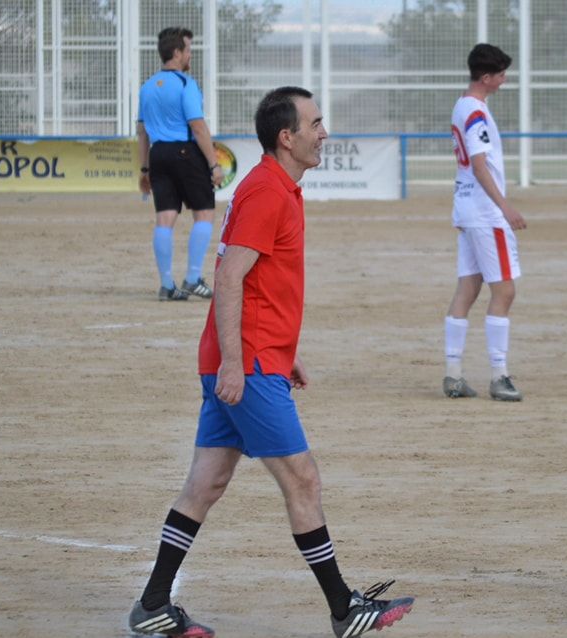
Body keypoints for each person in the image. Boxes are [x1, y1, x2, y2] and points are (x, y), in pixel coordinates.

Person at [127, 87, 414, 638]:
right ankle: (343, 608)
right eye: (316, 123)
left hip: (251, 357)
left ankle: (153, 604)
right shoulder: (266, 192)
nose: (324, 132)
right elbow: (230, 276)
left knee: (205, 485)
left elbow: (257, 285)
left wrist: (286, 351)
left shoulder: (274, 186)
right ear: (287, 137)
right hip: (246, 365)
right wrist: (240, 364)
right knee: (303, 481)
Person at [443, 43, 526, 402]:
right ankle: (499, 374)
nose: (505, 80)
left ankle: (453, 373)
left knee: (468, 289)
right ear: (487, 77)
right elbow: (479, 164)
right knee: (504, 291)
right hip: (484, 212)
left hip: (466, 208)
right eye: (502, 74)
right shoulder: (475, 112)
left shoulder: (463, 105)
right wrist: (505, 207)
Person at [137, 27, 224, 301]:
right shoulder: (186, 84)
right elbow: (198, 127)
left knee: (164, 218)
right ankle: (193, 278)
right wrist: (213, 165)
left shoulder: (147, 87)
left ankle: (166, 285)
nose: (190, 55)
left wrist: (144, 169)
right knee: (204, 213)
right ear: (176, 53)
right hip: (185, 152)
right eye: (187, 51)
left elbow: (142, 132)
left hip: (158, 154)